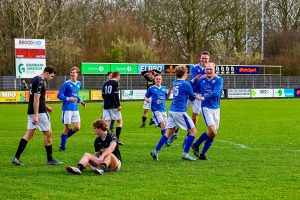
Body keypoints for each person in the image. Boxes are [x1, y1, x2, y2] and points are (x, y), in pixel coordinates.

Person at [12, 66, 63, 166]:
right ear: (47, 73)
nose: (51, 78)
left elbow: (36, 98)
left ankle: (16, 157)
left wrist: (46, 106)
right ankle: (50, 159)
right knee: (48, 133)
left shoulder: (34, 79)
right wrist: (36, 116)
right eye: (51, 76)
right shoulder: (40, 81)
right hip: (39, 112)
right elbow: (36, 98)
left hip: (32, 110)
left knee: (29, 134)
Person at [150, 65, 200, 161]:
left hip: (172, 110)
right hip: (180, 111)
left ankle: (155, 151)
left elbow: (184, 92)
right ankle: (185, 153)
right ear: (185, 73)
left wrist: (191, 93)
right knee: (193, 131)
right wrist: (196, 96)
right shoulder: (186, 84)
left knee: (169, 132)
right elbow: (192, 98)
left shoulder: (175, 83)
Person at [192, 62, 223, 160]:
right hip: (206, 108)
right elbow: (193, 89)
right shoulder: (201, 80)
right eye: (207, 69)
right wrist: (193, 82)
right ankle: (196, 146)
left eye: (211, 69)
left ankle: (201, 151)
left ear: (214, 70)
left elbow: (215, 93)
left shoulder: (219, 80)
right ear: (205, 70)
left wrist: (202, 97)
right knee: (212, 130)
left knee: (213, 133)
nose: (209, 71)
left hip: (216, 108)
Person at [57, 66, 86, 151]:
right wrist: (68, 98)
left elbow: (76, 95)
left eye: (74, 73)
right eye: (71, 72)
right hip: (67, 108)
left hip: (75, 108)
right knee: (67, 128)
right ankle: (62, 146)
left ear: (77, 74)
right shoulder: (66, 83)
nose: (72, 74)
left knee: (77, 127)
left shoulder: (78, 83)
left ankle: (64, 137)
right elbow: (59, 95)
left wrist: (81, 101)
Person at [102, 72, 124, 145]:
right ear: (117, 76)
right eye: (119, 76)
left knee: (107, 123)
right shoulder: (116, 83)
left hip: (106, 105)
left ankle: (105, 140)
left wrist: (107, 100)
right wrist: (118, 105)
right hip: (113, 105)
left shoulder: (105, 83)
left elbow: (103, 95)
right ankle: (116, 139)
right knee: (119, 121)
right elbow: (116, 95)